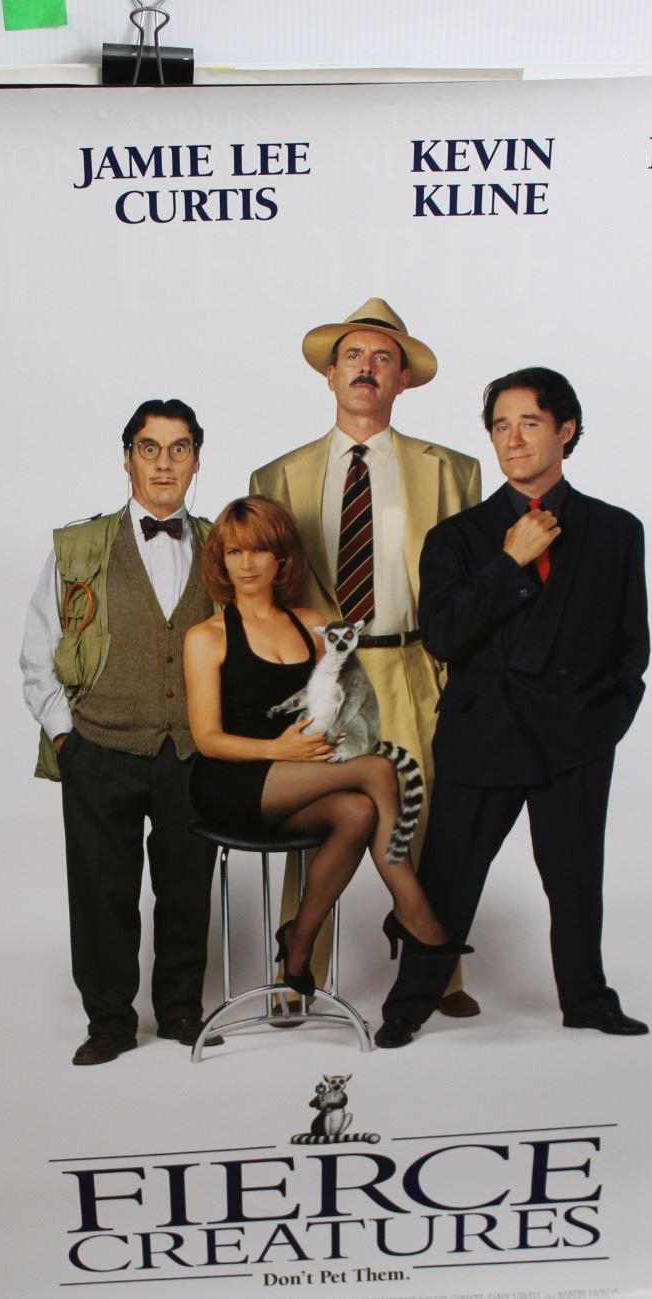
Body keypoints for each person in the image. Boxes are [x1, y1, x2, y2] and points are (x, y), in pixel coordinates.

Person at [376, 367, 650, 1048]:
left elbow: (631, 646)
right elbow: (443, 637)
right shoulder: (458, 537)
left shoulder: (616, 530)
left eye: (530, 423)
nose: (513, 439)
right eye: (501, 426)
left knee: (576, 880)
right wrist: (508, 562)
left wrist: (605, 720)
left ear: (566, 430)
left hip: (576, 737)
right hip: (483, 732)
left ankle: (587, 1001)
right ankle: (409, 1005)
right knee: (448, 879)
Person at [249, 297, 482, 1016]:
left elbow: (469, 585)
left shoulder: (452, 470)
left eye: (384, 358)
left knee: (426, 816)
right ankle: (294, 976)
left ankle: (440, 977)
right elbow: (264, 592)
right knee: (322, 818)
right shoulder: (277, 477)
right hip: (324, 675)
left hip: (412, 664)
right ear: (330, 374)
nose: (366, 368)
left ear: (402, 380)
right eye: (352, 355)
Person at [184, 497, 465, 994]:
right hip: (233, 781)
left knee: (358, 812)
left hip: (295, 776)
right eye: (234, 552)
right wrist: (279, 750)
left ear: (281, 557)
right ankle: (413, 909)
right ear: (221, 560)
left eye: (258, 550)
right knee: (378, 770)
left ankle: (298, 940)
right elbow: (207, 739)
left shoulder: (310, 625)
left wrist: (324, 741)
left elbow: (335, 703)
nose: (247, 564)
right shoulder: (207, 637)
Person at [19, 399, 218, 1066]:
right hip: (100, 748)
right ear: (127, 457)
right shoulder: (80, 547)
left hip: (189, 750)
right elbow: (38, 650)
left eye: (179, 448)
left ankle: (182, 1010)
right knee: (102, 892)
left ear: (196, 460)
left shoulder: (220, 545)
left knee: (186, 887)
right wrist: (66, 739)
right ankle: (109, 1022)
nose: (164, 462)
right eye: (149, 448)